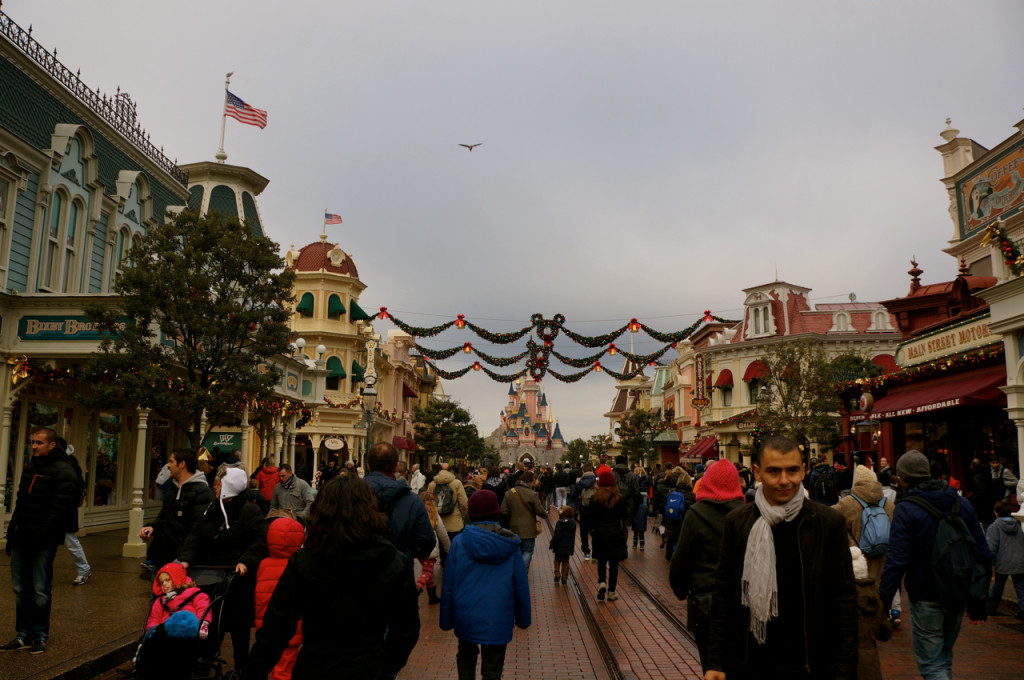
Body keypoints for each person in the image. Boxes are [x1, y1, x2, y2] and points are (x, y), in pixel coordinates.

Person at [705, 436, 857, 680]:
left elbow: (845, 601)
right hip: (749, 663)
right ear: (757, 472)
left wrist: (845, 670)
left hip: (810, 664)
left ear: (804, 471)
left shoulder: (828, 523)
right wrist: (715, 661)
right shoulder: (738, 522)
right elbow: (723, 594)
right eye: (774, 471)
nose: (785, 480)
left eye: (793, 470)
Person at [242, 475, 420, 680]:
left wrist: (252, 672)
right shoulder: (392, 561)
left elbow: (276, 630)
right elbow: (406, 629)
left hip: (317, 666)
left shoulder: (305, 562)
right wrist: (385, 665)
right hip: (369, 666)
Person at [879, 450, 992, 680]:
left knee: (931, 665)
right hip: (959, 591)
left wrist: (883, 601)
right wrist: (980, 598)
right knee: (944, 656)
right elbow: (983, 552)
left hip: (926, 593)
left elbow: (897, 560)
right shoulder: (961, 503)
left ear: (903, 479)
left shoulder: (907, 508)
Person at [179, 466, 268, 670]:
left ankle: (241, 668)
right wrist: (185, 558)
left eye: (219, 484)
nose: (215, 487)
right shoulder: (212, 508)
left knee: (239, 631)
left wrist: (245, 561)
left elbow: (261, 540)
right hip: (211, 577)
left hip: (237, 580)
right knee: (210, 626)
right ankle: (204, 666)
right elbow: (196, 534)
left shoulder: (248, 511)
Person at [2, 427, 79, 654]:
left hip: (42, 541)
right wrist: (11, 534)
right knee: (20, 588)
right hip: (22, 538)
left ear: (51, 445)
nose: (34, 446)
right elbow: (21, 502)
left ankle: (40, 635)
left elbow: (59, 510)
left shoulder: (64, 471)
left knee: (40, 589)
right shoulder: (29, 468)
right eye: (33, 442)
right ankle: (23, 634)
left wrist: (42, 536)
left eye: (39, 442)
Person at [440, 489, 530, 680]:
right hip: (499, 615)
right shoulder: (510, 544)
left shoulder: (459, 543)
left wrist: (446, 619)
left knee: (466, 659)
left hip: (466, 613)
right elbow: (520, 585)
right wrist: (523, 618)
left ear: (470, 513)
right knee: (493, 669)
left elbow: (449, 584)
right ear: (496, 512)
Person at [669, 460, 746, 673]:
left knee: (712, 666)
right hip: (740, 603)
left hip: (705, 604)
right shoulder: (746, 514)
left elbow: (681, 560)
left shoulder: (696, 514)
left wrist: (680, 589)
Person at [833, 465, 896, 623]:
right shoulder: (888, 504)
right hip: (882, 561)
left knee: (857, 605)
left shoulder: (847, 503)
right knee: (877, 599)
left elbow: (828, 519)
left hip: (856, 563)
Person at [139, 448, 214, 573]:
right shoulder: (172, 488)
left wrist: (184, 558)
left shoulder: (203, 492)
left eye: (171, 461)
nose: (168, 465)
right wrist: (151, 528)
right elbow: (164, 517)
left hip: (180, 562)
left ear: (182, 464)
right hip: (161, 558)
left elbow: (197, 530)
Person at [364, 442, 436, 566]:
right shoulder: (412, 501)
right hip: (398, 571)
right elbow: (426, 542)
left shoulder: (350, 494)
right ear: (396, 467)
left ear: (368, 466)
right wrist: (407, 551)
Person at [254, 517, 305, 680]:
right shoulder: (298, 565)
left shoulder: (264, 564)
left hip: (266, 622)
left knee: (267, 659)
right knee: (286, 665)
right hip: (292, 626)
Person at [850, 546, 892, 680]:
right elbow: (885, 633)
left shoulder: (842, 602)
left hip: (845, 665)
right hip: (870, 667)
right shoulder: (875, 601)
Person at [590, 470, 628, 602]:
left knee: (601, 560)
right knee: (613, 564)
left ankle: (602, 582)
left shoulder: (595, 498)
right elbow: (624, 515)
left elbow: (591, 517)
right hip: (614, 533)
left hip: (600, 533)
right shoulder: (619, 498)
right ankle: (611, 591)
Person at [499, 470, 546, 569]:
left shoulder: (509, 493)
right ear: (529, 481)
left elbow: (503, 511)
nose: (535, 483)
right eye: (534, 480)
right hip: (529, 530)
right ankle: (522, 573)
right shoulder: (532, 494)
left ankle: (516, 573)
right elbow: (541, 512)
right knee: (527, 552)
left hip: (513, 529)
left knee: (517, 552)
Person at [987, 499, 1024, 619]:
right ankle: (1023, 610)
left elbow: (992, 546)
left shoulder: (995, 526)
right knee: (1020, 587)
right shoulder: (1017, 525)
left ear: (997, 512)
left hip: (1002, 560)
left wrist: (989, 561)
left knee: (998, 586)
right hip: (1019, 559)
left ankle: (991, 607)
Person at [62, 440, 91, 585]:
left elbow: (77, 488)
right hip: (59, 511)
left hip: (65, 511)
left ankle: (83, 569)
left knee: (71, 541)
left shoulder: (69, 466)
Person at [417, 490, 451, 605]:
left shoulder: (416, 513)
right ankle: (416, 588)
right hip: (431, 548)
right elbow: (443, 534)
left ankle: (432, 596)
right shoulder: (434, 515)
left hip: (419, 548)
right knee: (427, 572)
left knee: (428, 572)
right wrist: (448, 549)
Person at [427, 463, 470, 547]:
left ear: (439, 471)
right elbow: (463, 503)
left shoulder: (432, 484)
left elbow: (428, 504)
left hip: (437, 524)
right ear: (451, 471)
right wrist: (462, 515)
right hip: (455, 524)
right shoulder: (457, 483)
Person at [569, 463, 598, 560]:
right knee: (595, 530)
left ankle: (586, 552)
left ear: (583, 472)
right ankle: (595, 552)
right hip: (595, 510)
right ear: (593, 471)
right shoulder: (598, 481)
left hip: (583, 509)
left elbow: (573, 496)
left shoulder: (580, 483)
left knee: (584, 531)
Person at [549, 505, 577, 584]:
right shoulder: (573, 523)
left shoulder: (560, 522)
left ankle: (557, 573)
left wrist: (552, 544)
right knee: (566, 561)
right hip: (568, 547)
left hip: (559, 546)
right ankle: (564, 578)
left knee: (557, 560)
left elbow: (557, 535)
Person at [632, 464, 650, 551]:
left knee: (639, 507)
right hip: (645, 493)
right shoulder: (646, 477)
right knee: (644, 506)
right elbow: (649, 484)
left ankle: (639, 517)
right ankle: (645, 518)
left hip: (639, 493)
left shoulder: (636, 478)